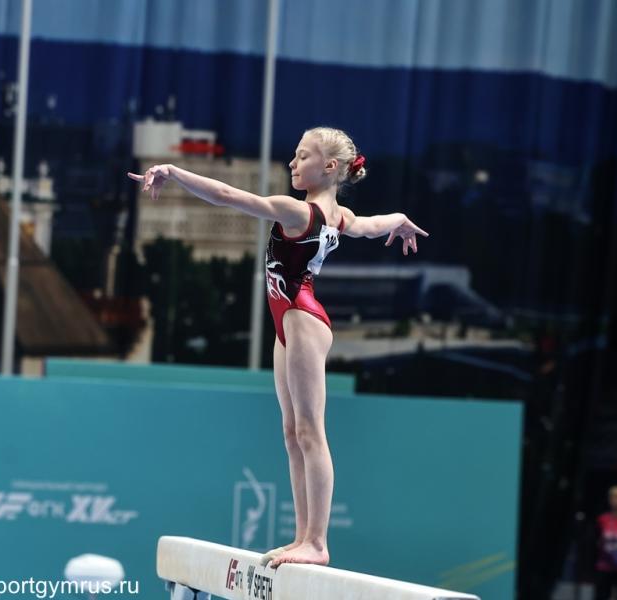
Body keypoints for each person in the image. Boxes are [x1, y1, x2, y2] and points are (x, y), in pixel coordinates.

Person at [129, 127, 428, 567]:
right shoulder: (339, 216)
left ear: (329, 167)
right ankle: (303, 536)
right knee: (292, 434)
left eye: (302, 156)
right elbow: (371, 227)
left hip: (302, 318)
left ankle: (318, 542)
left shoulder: (298, 212)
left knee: (310, 432)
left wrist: (174, 171)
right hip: (287, 321)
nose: (292, 162)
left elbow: (228, 196)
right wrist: (399, 219)